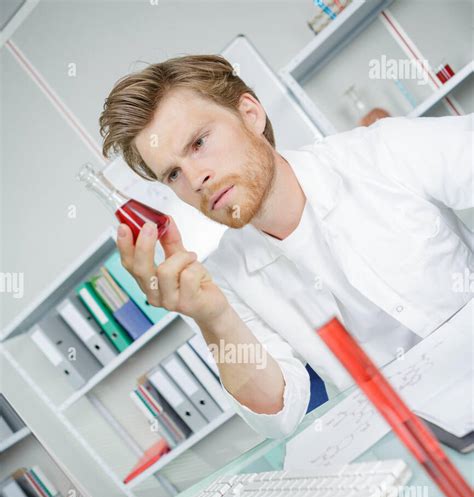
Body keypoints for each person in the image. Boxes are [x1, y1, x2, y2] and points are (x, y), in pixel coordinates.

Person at [99, 55, 473, 439]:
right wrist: (212, 318)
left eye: (199, 143)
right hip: (413, 446)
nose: (195, 179)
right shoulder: (225, 276)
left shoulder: (381, 152)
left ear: (249, 114)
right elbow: (280, 413)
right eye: (173, 173)